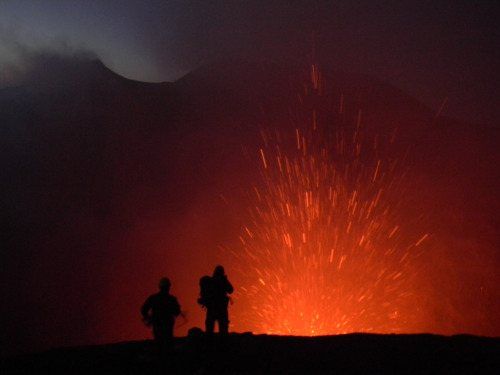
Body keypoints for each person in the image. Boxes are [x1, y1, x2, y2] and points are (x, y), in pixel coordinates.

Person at [141, 277, 181, 351]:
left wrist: (148, 318)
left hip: (157, 326)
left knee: (159, 345)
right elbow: (177, 312)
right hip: (168, 326)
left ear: (160, 287)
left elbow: (144, 309)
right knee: (168, 346)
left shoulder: (153, 298)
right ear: (169, 287)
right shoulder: (171, 299)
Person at [202, 265, 233, 337]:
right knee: (223, 329)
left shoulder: (210, 281)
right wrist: (225, 280)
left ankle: (209, 345)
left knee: (209, 329)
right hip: (221, 309)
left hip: (212, 308)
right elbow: (231, 290)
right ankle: (222, 345)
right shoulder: (223, 281)